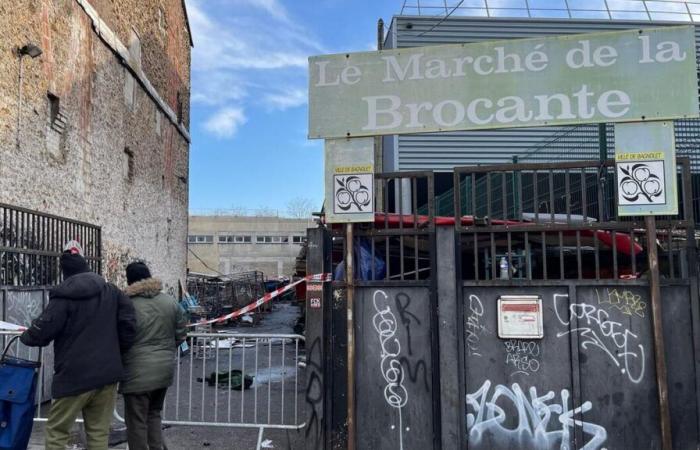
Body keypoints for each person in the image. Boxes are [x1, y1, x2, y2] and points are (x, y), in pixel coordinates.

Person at [20, 241, 137, 450]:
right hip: (107, 375)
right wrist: (118, 352)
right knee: (98, 433)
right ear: (85, 265)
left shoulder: (63, 297)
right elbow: (129, 324)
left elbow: (42, 331)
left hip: (73, 377)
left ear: (65, 272)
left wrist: (27, 336)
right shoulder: (112, 291)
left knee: (57, 431)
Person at [120, 261, 186, 450]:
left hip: (136, 373)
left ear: (129, 280)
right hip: (164, 370)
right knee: (154, 415)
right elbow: (181, 335)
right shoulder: (170, 302)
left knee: (136, 421)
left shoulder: (127, 305)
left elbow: (121, 337)